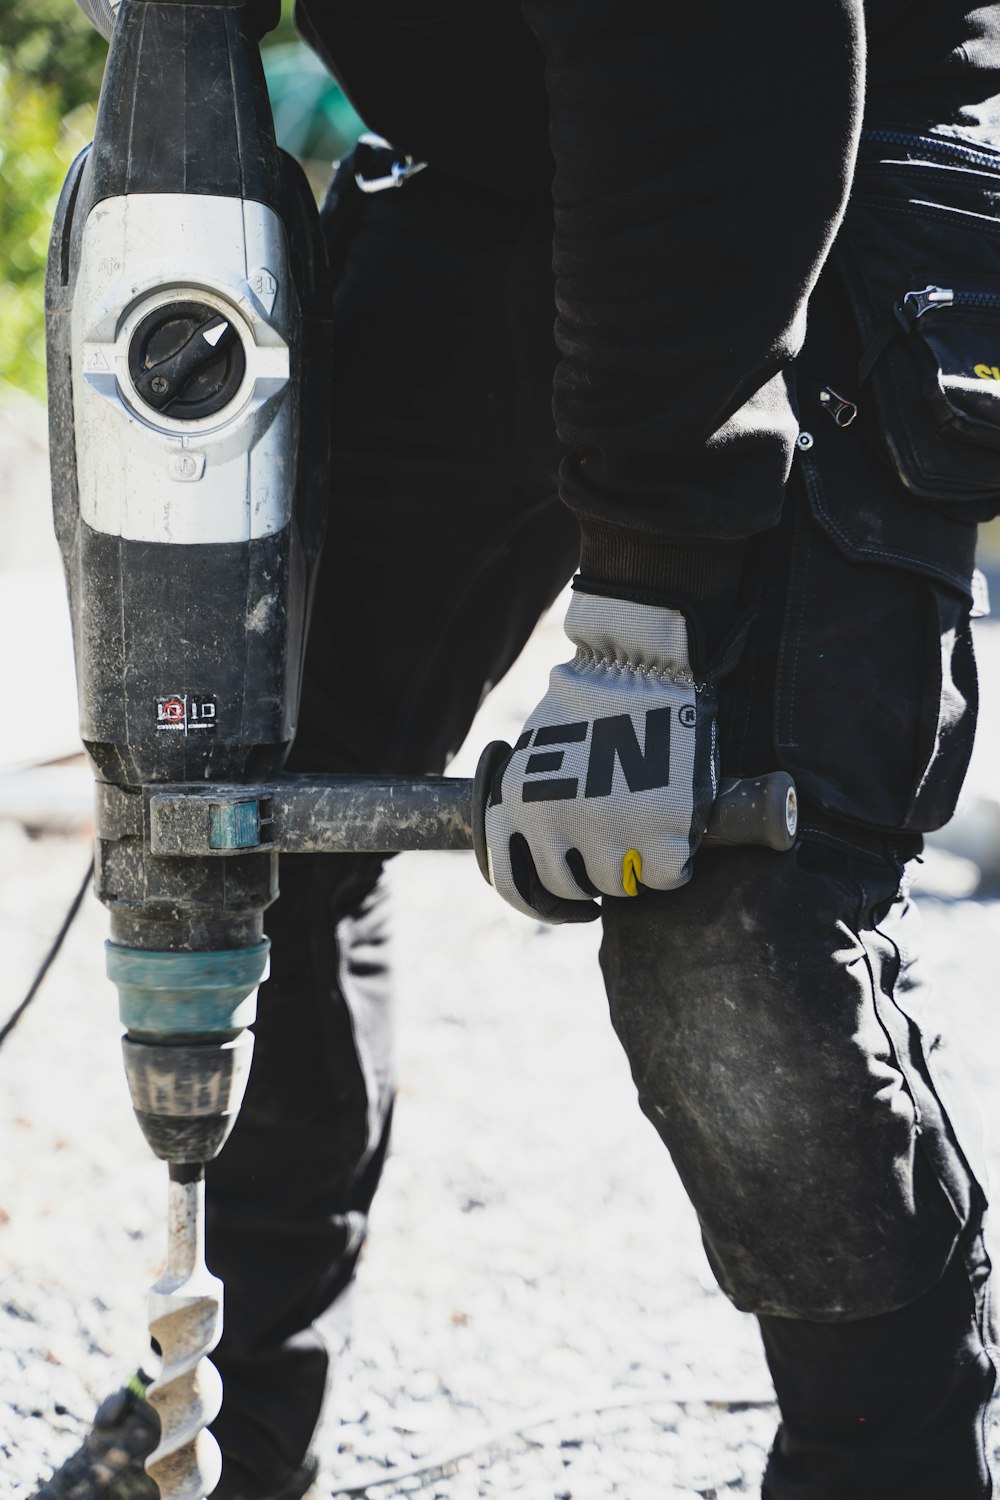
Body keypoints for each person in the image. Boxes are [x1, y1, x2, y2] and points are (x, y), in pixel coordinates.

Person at [35, 2, 1000, 1497]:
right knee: (227, 807)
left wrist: (646, 608)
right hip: (492, 168)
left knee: (734, 934)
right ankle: (220, 1422)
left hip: (820, 150)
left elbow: (730, 60)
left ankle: (896, 1467)